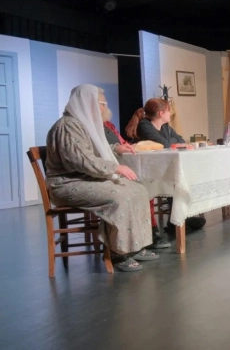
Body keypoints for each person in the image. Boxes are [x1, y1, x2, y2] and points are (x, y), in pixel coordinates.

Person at [45, 84, 158, 272]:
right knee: (119, 197)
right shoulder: (67, 126)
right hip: (68, 183)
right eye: (102, 103)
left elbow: (94, 150)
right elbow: (81, 160)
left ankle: (134, 246)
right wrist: (115, 167)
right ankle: (118, 252)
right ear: (87, 103)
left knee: (139, 189)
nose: (105, 108)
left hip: (87, 179)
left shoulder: (84, 124)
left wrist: (116, 149)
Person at [125, 98, 206, 232]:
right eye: (168, 111)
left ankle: (179, 217)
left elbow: (180, 140)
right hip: (145, 171)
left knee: (177, 177)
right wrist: (172, 142)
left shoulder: (165, 127)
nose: (170, 113)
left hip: (160, 167)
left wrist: (171, 142)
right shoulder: (145, 126)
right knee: (172, 179)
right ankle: (176, 221)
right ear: (161, 113)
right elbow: (166, 144)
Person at [103, 114, 169, 250]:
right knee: (140, 185)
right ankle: (134, 240)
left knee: (145, 184)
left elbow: (122, 143)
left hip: (119, 165)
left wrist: (123, 147)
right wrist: (116, 150)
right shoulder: (88, 126)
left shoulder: (108, 124)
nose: (105, 107)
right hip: (107, 170)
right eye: (102, 104)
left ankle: (147, 233)